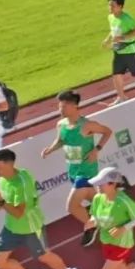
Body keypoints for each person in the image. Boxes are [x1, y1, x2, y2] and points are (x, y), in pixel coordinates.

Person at [0, 149, 80, 269]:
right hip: (12, 227)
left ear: (9, 164)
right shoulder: (2, 180)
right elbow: (2, 206)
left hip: (31, 227)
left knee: (44, 256)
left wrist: (1, 201)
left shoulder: (22, 183)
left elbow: (18, 213)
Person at [41, 90, 112, 235]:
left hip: (86, 171)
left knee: (72, 207)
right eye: (59, 106)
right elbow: (60, 141)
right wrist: (50, 149)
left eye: (64, 107)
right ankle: (115, 216)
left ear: (74, 106)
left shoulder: (87, 125)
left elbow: (107, 132)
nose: (60, 110)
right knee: (97, 201)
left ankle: (93, 227)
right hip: (73, 170)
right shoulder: (60, 124)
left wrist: (96, 149)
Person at [85, 167, 135, 269]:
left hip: (121, 244)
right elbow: (95, 216)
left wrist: (123, 228)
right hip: (106, 241)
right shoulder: (97, 198)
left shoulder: (123, 201)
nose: (98, 186)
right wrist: (92, 222)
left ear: (113, 184)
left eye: (101, 183)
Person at [102, 0, 135, 105]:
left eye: (113, 5)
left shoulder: (126, 19)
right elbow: (113, 30)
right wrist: (107, 39)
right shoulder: (110, 17)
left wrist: (123, 38)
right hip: (118, 50)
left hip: (130, 50)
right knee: (116, 73)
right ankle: (121, 97)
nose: (110, 8)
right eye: (109, 5)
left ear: (120, 6)